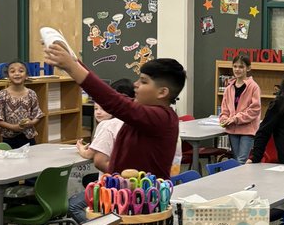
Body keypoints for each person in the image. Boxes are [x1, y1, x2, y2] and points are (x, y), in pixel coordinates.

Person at [46, 43, 183, 180]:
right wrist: (74, 60)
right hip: (122, 193)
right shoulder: (145, 114)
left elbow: (115, 101)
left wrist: (72, 67)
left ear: (162, 92)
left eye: (143, 81)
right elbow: (114, 96)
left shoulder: (161, 117)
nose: (135, 84)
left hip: (144, 198)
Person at [68, 80, 135, 225]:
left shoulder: (108, 125)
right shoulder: (137, 121)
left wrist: (80, 148)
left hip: (112, 185)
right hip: (135, 182)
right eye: (96, 108)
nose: (98, 112)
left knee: (73, 204)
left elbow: (97, 160)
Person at [0, 60, 43, 148]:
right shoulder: (2, 94)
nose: (17, 74)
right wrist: (13, 127)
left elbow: (38, 115)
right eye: (12, 71)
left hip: (29, 138)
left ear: (27, 75)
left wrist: (31, 123)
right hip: (9, 140)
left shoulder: (32, 94)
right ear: (8, 76)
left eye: (21, 71)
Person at [218, 55, 261, 164]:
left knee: (242, 160)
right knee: (236, 160)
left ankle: (243, 181)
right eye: (235, 66)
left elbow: (255, 109)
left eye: (241, 67)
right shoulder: (228, 88)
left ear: (248, 68)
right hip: (233, 129)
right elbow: (224, 109)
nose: (237, 69)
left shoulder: (253, 87)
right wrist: (224, 119)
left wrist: (236, 118)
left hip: (247, 130)